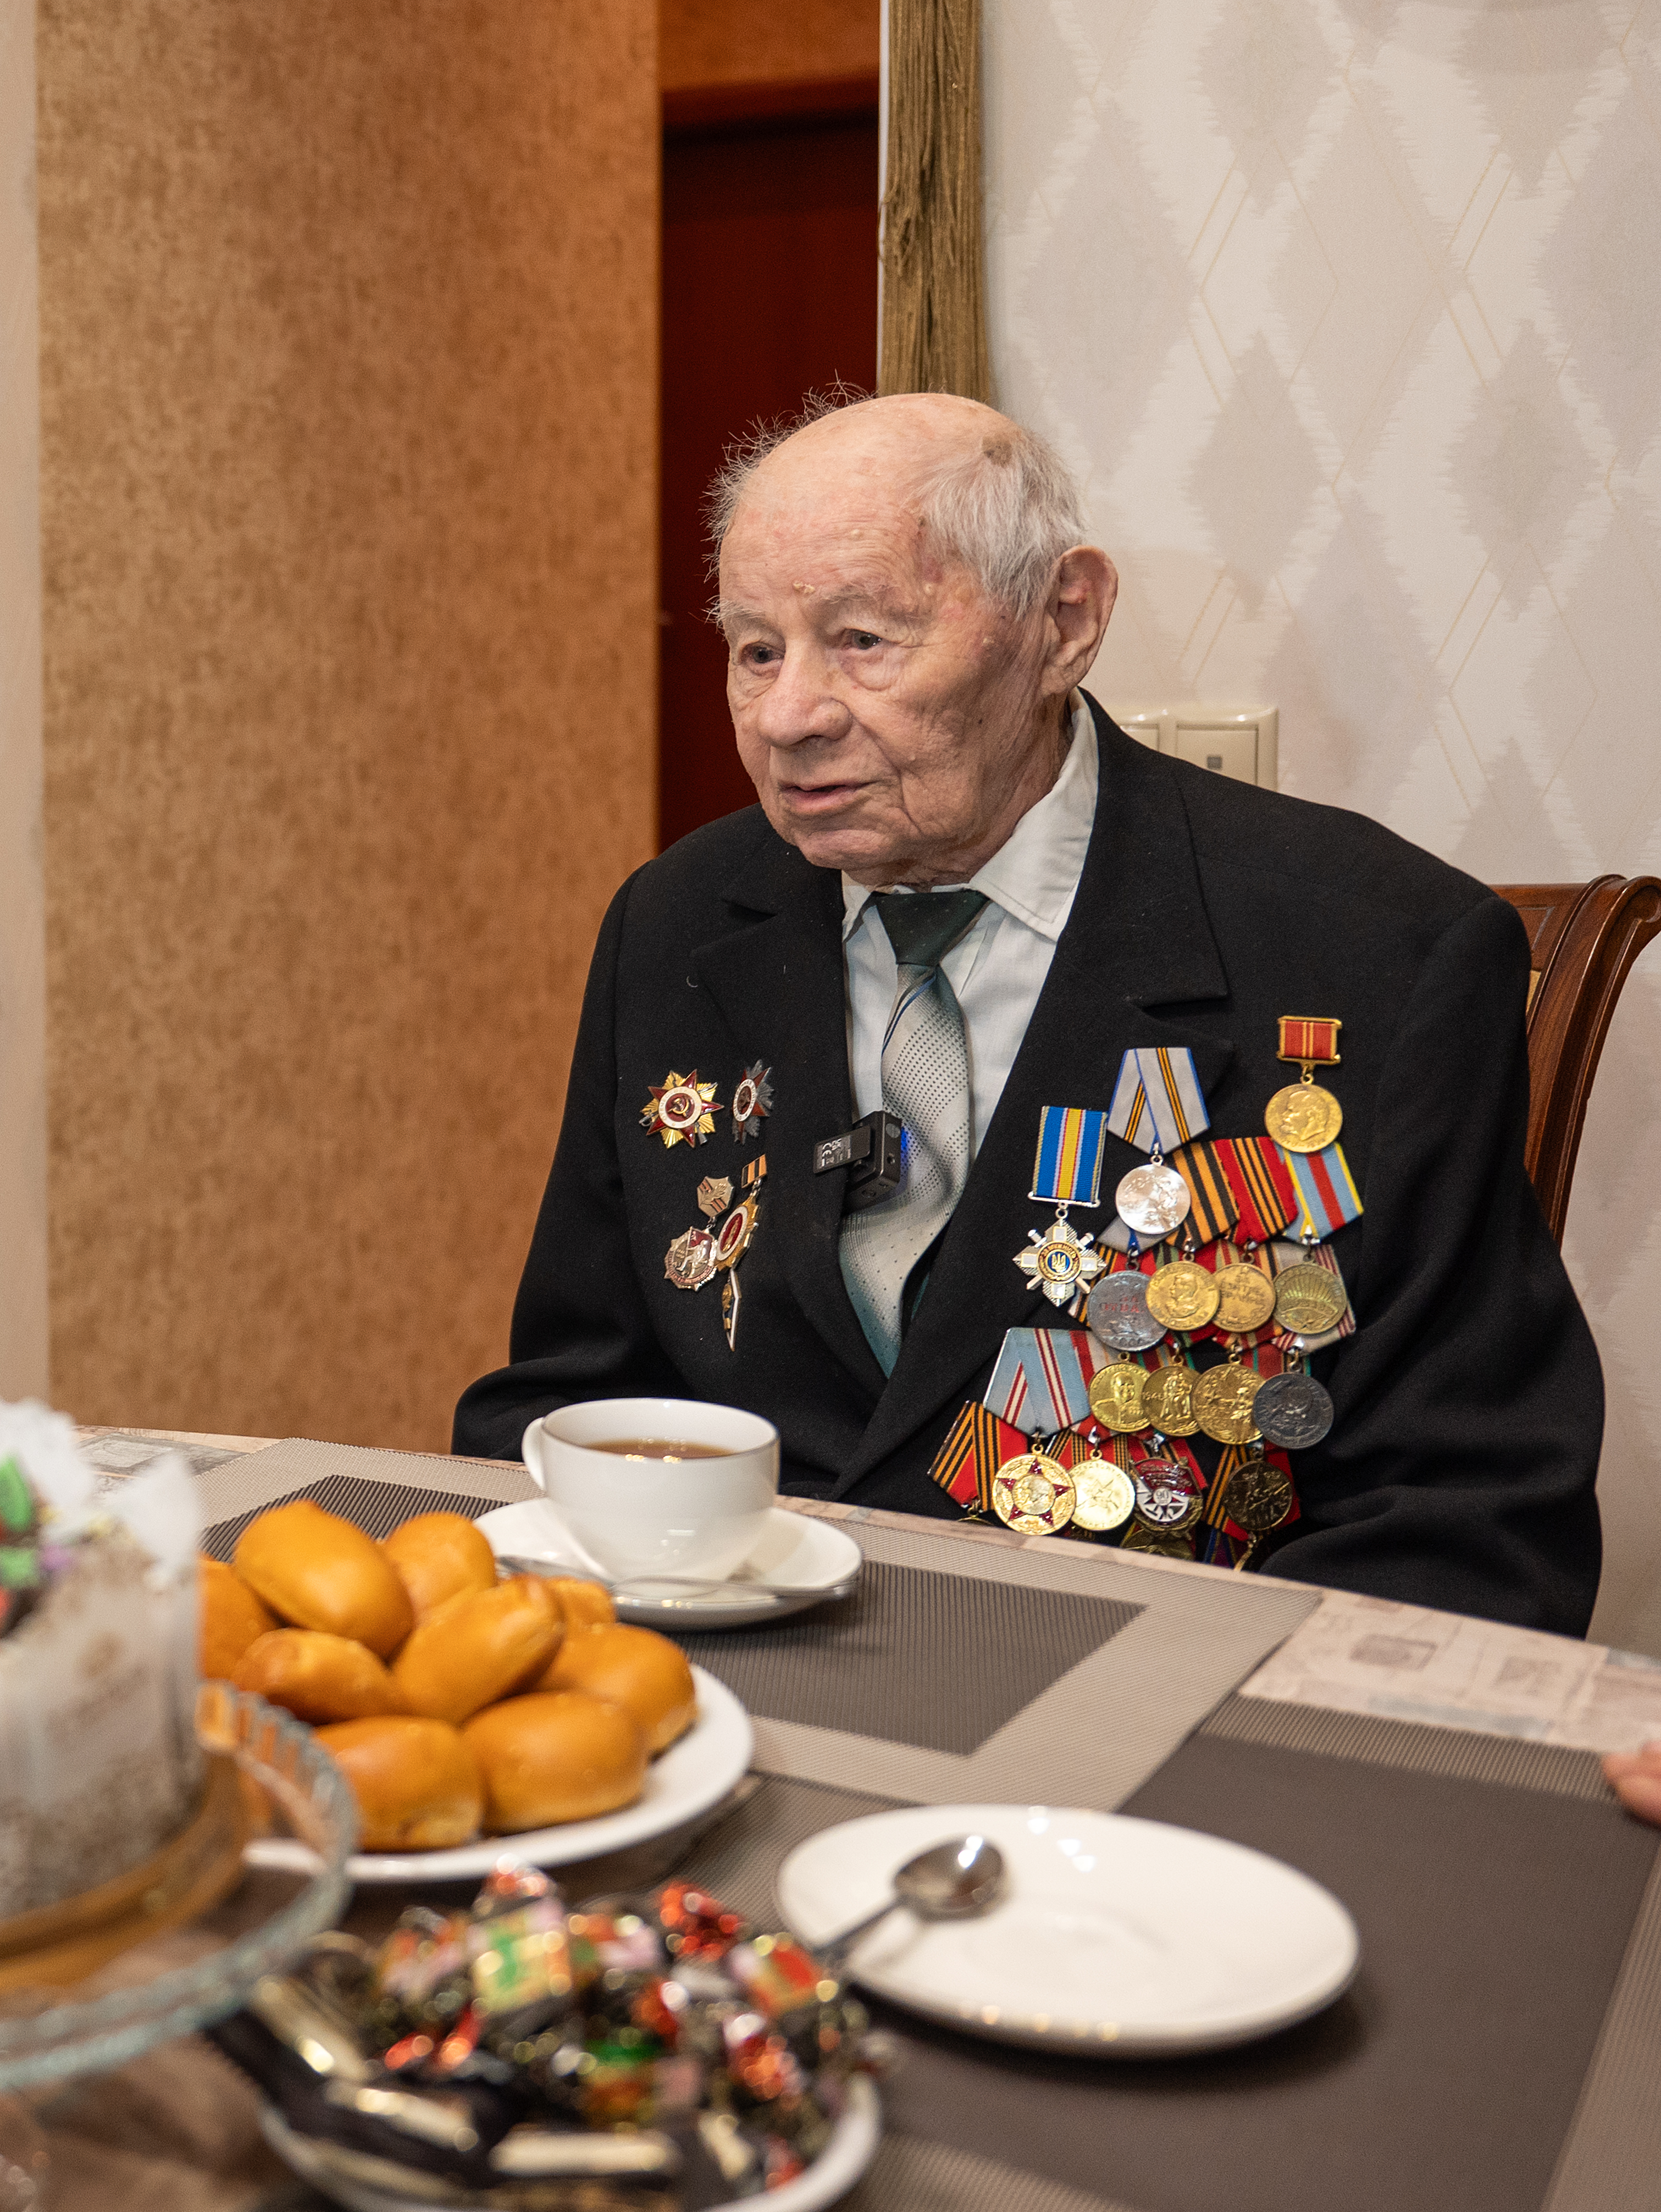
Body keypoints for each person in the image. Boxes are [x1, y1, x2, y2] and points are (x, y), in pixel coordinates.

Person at [455, 392, 1600, 1635]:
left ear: (1064, 623)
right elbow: (562, 1404)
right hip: (719, 1669)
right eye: (756, 648)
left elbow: (1470, 1520)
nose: (788, 714)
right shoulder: (677, 924)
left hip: (1153, 1727)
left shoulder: (1376, 953)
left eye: (862, 639)